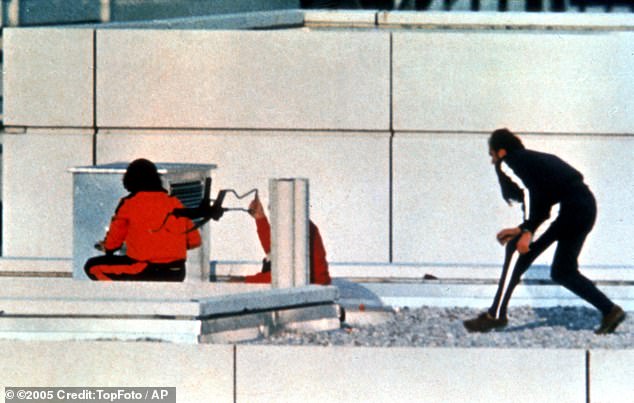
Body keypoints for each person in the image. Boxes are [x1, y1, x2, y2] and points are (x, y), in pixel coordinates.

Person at [463, 128, 626, 334]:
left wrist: (528, 231)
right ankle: (610, 311)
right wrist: (522, 228)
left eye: (492, 155)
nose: (492, 161)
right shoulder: (533, 160)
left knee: (515, 250)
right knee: (563, 271)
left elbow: (530, 193)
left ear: (501, 152)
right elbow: (543, 198)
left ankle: (495, 315)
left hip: (565, 208)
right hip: (584, 206)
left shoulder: (509, 162)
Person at [84, 158, 202, 282]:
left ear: (129, 180)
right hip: (177, 272)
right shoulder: (174, 202)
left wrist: (107, 247)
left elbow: (113, 243)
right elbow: (194, 241)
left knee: (93, 267)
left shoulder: (129, 203)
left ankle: (123, 298)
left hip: (145, 269)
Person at [244, 195, 331, 285]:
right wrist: (260, 218)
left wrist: (245, 280)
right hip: (305, 283)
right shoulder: (294, 223)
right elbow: (273, 251)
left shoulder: (298, 227)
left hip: (312, 286)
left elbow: (287, 275)